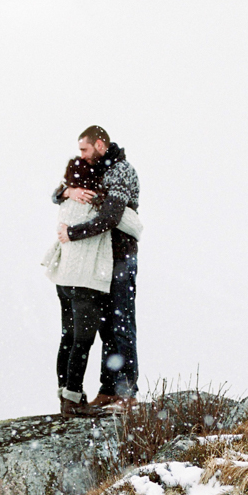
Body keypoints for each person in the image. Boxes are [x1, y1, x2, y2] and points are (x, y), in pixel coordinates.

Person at [44, 153, 141, 416]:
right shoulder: (97, 203)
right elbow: (135, 226)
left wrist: (65, 191)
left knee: (69, 337)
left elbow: (56, 195)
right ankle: (74, 400)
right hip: (86, 280)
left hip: (64, 279)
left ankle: (65, 394)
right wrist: (112, 203)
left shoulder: (66, 202)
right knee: (83, 341)